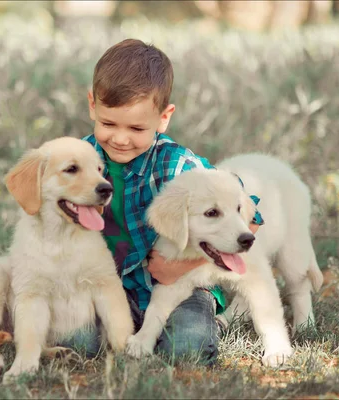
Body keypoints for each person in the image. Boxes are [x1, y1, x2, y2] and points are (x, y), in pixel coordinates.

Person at [59, 38, 262, 365]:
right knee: (73, 341)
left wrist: (179, 266)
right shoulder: (77, 159)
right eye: (108, 123)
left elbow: (250, 217)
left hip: (181, 287)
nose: (120, 138)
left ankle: (208, 324)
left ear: (163, 118)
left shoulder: (178, 166)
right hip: (109, 286)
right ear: (92, 106)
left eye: (137, 128)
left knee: (188, 348)